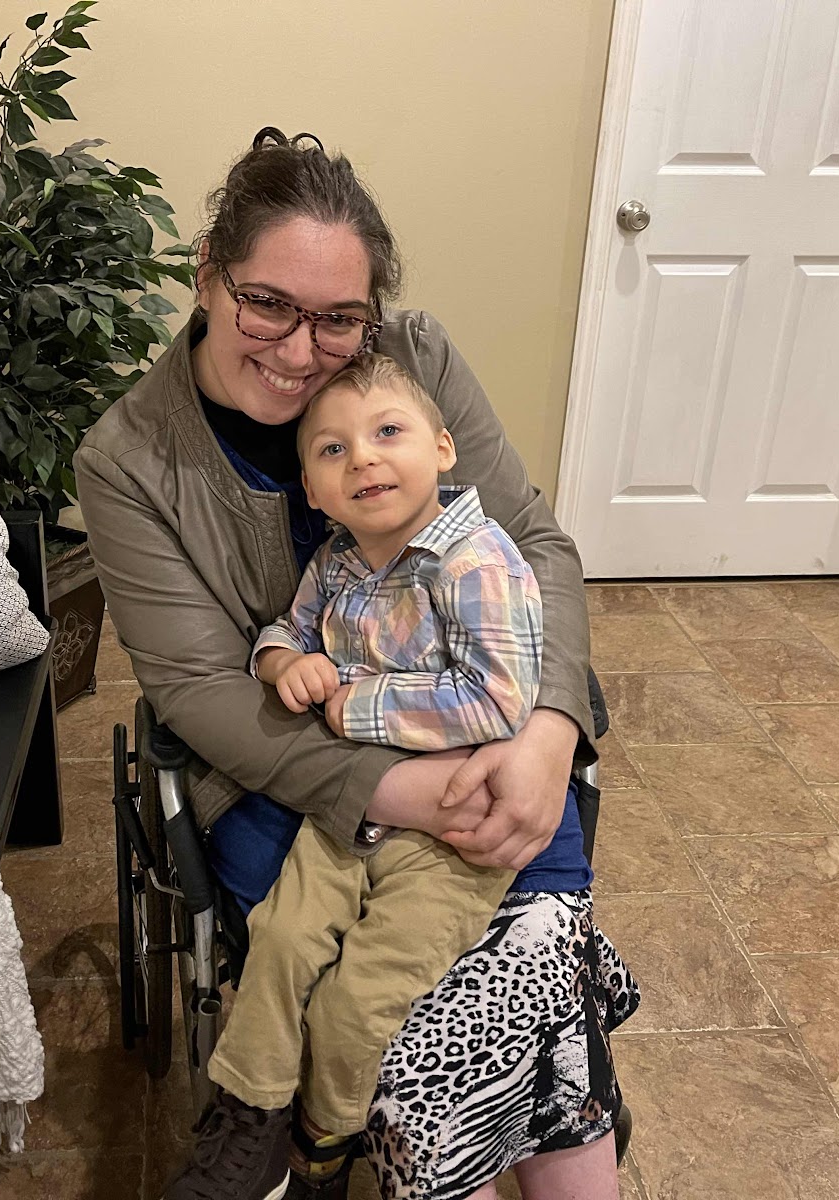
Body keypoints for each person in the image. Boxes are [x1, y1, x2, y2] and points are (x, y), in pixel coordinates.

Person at [76, 128, 634, 1200]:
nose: (301, 351)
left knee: (522, 953)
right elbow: (199, 689)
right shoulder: (128, 459)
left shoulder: (415, 359)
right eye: (267, 305)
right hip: (282, 763)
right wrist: (392, 788)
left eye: (339, 318)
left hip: (479, 733)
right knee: (407, 1006)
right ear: (207, 274)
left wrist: (549, 731)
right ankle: (319, 1118)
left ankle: (528, 1098)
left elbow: (534, 544)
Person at [189, 352, 543, 1199]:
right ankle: (250, 1105)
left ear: (442, 448)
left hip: (451, 837)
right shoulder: (337, 562)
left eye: (388, 432)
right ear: (314, 491)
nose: (364, 459)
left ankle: (325, 1137)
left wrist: (353, 705)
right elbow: (287, 630)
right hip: (350, 810)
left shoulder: (477, 564)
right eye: (333, 450)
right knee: (279, 942)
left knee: (356, 1000)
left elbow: (498, 699)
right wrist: (283, 664)